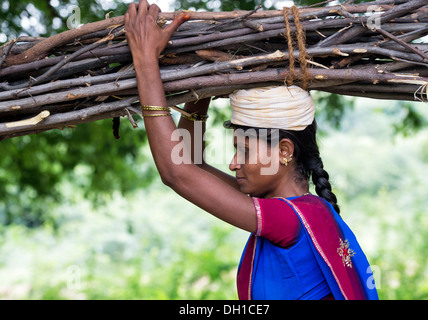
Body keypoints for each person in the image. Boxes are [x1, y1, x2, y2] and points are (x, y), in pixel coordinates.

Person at [125, 1, 378, 300]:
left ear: (284, 150)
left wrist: (145, 60)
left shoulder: (288, 219)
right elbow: (188, 161)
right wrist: (200, 91)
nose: (233, 163)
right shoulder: (304, 212)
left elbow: (176, 172)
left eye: (243, 151)